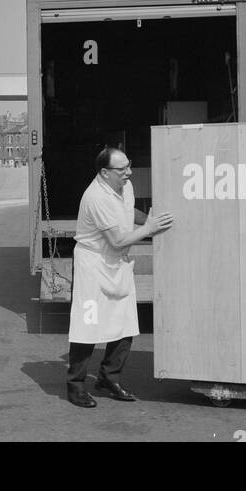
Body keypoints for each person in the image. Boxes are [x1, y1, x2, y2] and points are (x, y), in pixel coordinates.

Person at [66, 146, 173, 408]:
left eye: (129, 165)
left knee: (124, 324)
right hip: (93, 265)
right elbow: (115, 241)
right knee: (87, 325)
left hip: (117, 265)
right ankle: (75, 386)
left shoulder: (124, 187)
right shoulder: (96, 197)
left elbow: (128, 211)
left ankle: (108, 377)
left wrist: (149, 219)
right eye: (122, 169)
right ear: (104, 172)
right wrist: (150, 229)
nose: (129, 172)